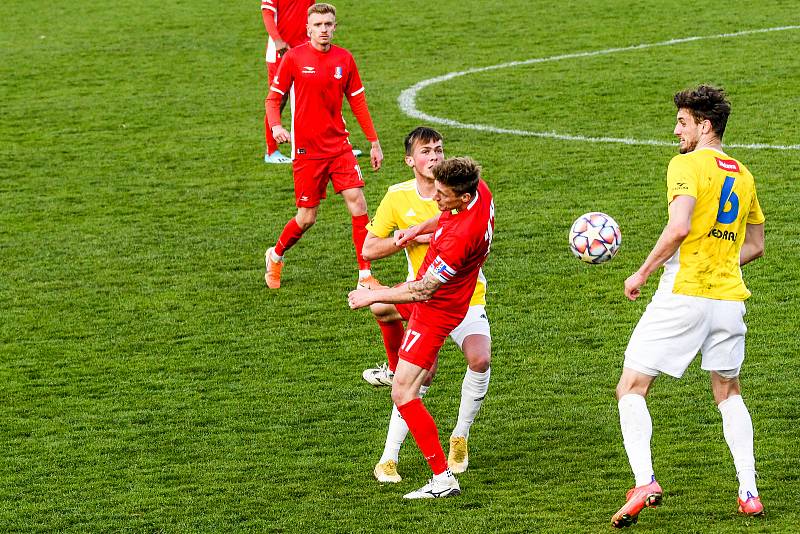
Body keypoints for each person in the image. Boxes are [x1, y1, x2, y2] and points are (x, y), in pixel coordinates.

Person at [611, 85, 766, 528]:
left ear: (704, 125)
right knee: (728, 392)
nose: (676, 130)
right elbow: (755, 245)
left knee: (632, 386)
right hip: (730, 300)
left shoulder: (685, 164)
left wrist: (641, 272)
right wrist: (719, 257)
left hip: (685, 293)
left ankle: (644, 480)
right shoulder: (743, 173)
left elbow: (679, 227)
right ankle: (749, 491)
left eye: (683, 122)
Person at [349, 157, 495, 499]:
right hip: (451, 297)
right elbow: (444, 218)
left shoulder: (461, 238)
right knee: (387, 314)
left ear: (461, 197)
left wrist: (372, 294)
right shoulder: (481, 193)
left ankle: (442, 478)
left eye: (442, 195)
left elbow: (423, 289)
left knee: (403, 392)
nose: (435, 199)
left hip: (436, 309)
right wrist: (418, 230)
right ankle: (396, 364)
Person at [263, 3, 384, 290]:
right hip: (307, 151)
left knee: (357, 201)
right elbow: (272, 99)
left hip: (339, 146)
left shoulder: (345, 58)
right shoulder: (293, 58)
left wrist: (374, 142)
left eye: (329, 24)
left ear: (335, 27)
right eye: (318, 25)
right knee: (306, 218)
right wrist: (277, 126)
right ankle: (276, 255)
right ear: (308, 29)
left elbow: (358, 102)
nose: (324, 30)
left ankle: (365, 276)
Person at [261, 0, 314, 164]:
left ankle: (323, 145)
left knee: (310, 96)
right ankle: (271, 151)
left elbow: (312, 13)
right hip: (281, 51)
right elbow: (267, 13)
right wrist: (277, 40)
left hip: (305, 48)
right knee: (279, 99)